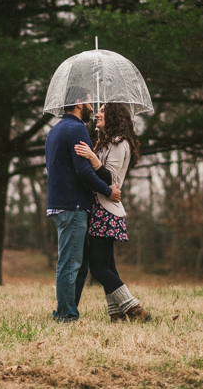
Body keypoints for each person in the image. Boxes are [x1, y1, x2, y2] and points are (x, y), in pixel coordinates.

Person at [45, 86, 121, 322]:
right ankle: (66, 314)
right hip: (73, 206)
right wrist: (109, 191)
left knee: (80, 263)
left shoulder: (55, 130)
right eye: (90, 102)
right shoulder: (77, 129)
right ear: (78, 103)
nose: (93, 108)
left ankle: (66, 309)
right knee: (71, 262)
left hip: (60, 204)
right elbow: (84, 173)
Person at [74, 103, 152, 322]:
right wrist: (96, 150)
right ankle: (116, 312)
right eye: (97, 110)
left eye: (103, 111)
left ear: (114, 117)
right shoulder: (108, 143)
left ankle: (135, 309)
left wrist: (92, 157)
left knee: (98, 268)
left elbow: (111, 179)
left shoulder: (119, 143)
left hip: (106, 210)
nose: (97, 113)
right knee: (107, 265)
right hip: (100, 207)